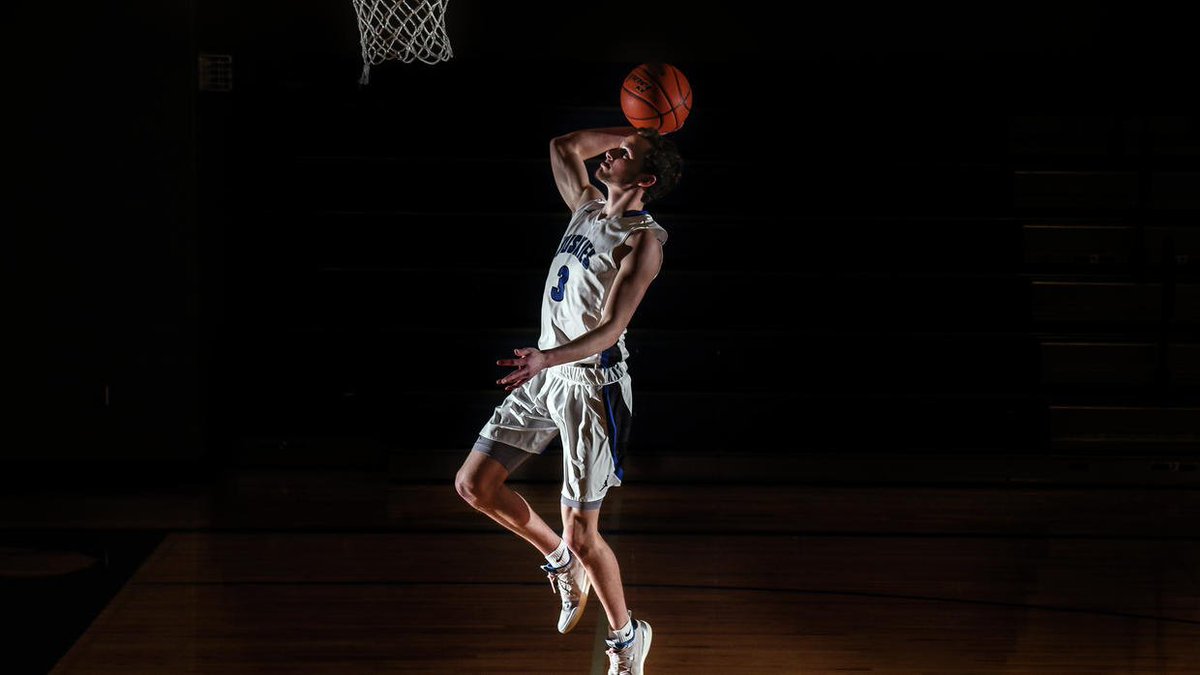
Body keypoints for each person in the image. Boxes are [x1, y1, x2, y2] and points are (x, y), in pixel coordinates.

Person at [454, 125, 681, 674]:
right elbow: (561, 147)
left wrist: (545, 360)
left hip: (591, 387)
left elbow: (610, 331)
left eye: (623, 155)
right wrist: (630, 130)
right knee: (474, 485)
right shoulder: (584, 208)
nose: (608, 155)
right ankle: (561, 564)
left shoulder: (643, 241)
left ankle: (627, 640)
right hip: (546, 370)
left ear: (645, 179)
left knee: (585, 530)